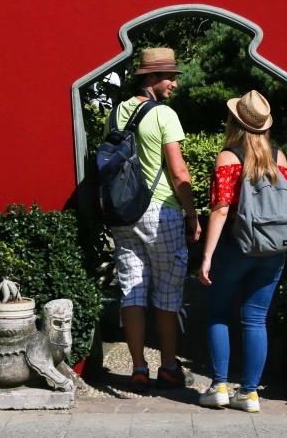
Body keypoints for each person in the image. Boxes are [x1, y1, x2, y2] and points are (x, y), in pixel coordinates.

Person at [107, 47, 201, 393]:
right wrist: (192, 213)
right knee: (167, 292)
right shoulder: (164, 114)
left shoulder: (116, 114)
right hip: (161, 212)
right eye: (168, 77)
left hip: (123, 214)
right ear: (149, 79)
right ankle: (170, 368)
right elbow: (178, 172)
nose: (174, 83)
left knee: (132, 290)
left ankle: (137, 369)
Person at [198, 89, 287, 412]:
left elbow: (221, 209)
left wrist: (207, 255)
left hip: (235, 246)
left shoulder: (229, 156)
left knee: (218, 313)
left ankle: (219, 387)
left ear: (235, 121)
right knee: (256, 320)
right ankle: (250, 393)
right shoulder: (278, 156)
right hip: (273, 247)